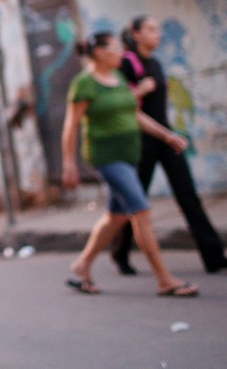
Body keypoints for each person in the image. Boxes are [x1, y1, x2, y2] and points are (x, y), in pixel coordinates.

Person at [61, 32, 199, 297]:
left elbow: (134, 114)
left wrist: (167, 135)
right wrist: (69, 164)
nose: (121, 53)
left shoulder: (119, 78)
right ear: (99, 52)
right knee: (141, 212)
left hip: (129, 154)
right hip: (107, 156)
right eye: (114, 48)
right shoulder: (84, 84)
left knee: (117, 215)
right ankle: (164, 280)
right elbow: (71, 125)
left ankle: (82, 265)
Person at [110, 15, 227, 275]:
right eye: (150, 29)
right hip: (141, 141)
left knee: (188, 196)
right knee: (135, 201)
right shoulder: (128, 63)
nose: (157, 34)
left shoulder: (156, 63)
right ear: (135, 34)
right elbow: (117, 103)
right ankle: (120, 252)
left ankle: (213, 256)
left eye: (157, 29)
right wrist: (141, 90)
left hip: (166, 137)